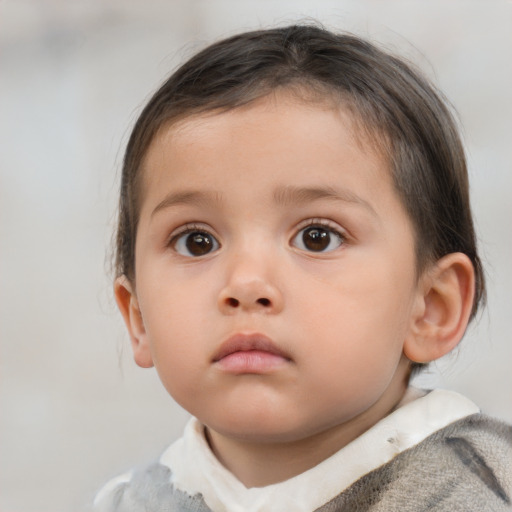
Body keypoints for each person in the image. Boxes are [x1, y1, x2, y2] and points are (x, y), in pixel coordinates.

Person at [94, 24, 512, 511]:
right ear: (139, 315)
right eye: (197, 241)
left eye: (317, 237)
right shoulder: (131, 502)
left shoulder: (469, 493)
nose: (246, 284)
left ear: (431, 308)